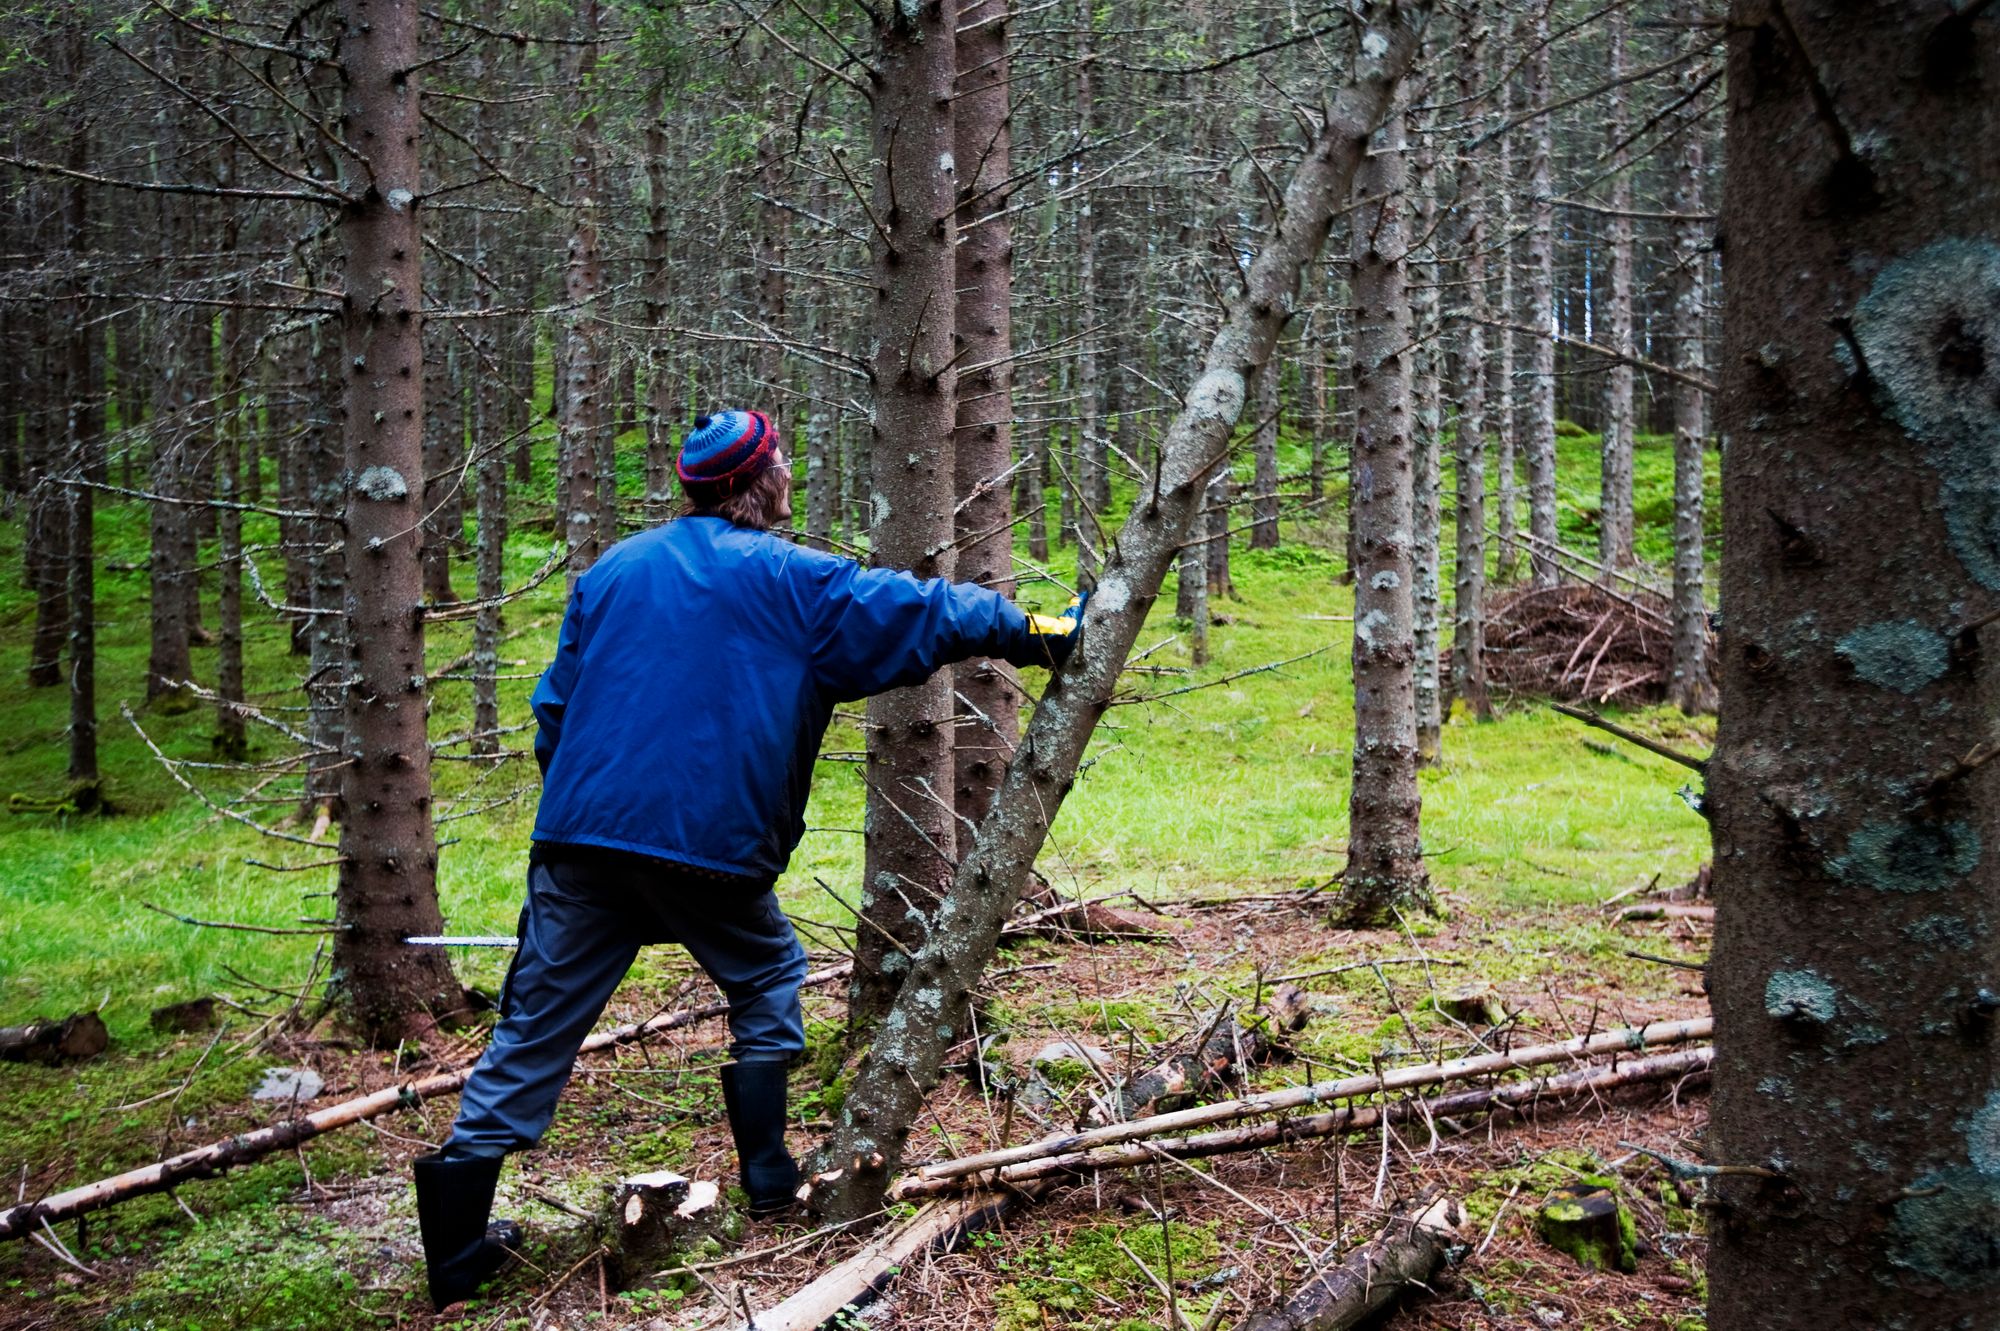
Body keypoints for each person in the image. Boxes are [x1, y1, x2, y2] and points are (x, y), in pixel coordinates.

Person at [412, 408, 1084, 1310]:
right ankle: (769, 1176)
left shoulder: (611, 573)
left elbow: (554, 712)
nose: (792, 474)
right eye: (783, 464)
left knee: (531, 1033)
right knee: (768, 971)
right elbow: (925, 610)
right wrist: (1040, 631)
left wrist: (595, 814)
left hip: (579, 844)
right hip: (710, 853)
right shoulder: (794, 582)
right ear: (757, 481)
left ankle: (453, 1259)